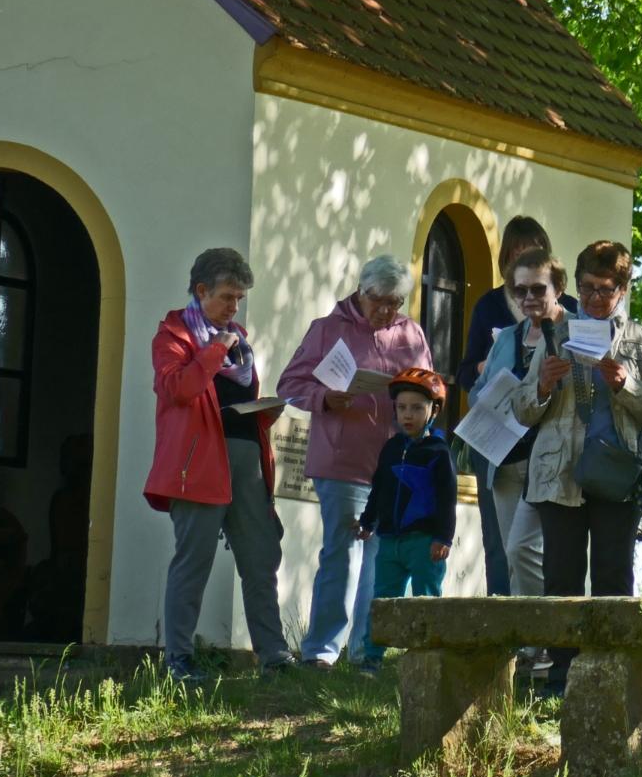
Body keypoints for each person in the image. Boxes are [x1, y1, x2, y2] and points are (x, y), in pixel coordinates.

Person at [500, 240, 642, 696]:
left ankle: (611, 678)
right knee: (561, 578)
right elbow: (520, 409)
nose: (596, 299)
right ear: (576, 286)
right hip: (559, 475)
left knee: (614, 577)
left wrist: (627, 384)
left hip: (616, 473)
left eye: (606, 290)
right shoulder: (556, 334)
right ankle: (561, 681)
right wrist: (541, 384)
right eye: (588, 289)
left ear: (623, 289)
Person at [145, 249, 293, 682]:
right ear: (201, 290)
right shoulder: (172, 336)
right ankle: (179, 660)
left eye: (239, 299)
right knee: (194, 563)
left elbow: (229, 402)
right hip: (199, 468)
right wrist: (212, 351)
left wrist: (264, 412)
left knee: (261, 559)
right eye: (228, 297)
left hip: (247, 464)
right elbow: (180, 390)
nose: (234, 307)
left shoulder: (237, 339)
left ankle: (274, 656)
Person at [279, 255, 432, 668]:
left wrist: (416, 394)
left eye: (395, 303)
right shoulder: (327, 329)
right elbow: (290, 385)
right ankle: (321, 653)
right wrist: (324, 398)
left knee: (381, 559)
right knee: (343, 553)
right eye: (379, 301)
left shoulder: (412, 333)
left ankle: (367, 654)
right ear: (361, 292)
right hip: (342, 460)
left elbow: (430, 388)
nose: (386, 311)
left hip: (395, 463)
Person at [456, 216, 561, 595]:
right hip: (500, 442)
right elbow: (466, 372)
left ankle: (544, 635)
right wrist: (484, 371)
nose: (525, 257)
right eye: (517, 251)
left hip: (550, 441)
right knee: (501, 546)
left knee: (546, 546)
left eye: (533, 249)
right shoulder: (490, 306)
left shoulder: (569, 314)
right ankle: (506, 633)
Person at [354, 368, 459, 673]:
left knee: (425, 599)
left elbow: (447, 499)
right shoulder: (390, 449)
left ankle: (427, 656)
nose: (408, 415)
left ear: (433, 410)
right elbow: (379, 489)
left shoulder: (438, 452)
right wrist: (368, 520)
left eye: (416, 407)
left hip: (425, 542)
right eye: (402, 408)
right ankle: (372, 658)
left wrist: (444, 537)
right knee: (383, 599)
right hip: (390, 541)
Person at [489, 252, 571, 599]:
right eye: (519, 291)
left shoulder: (575, 331)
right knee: (514, 554)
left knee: (557, 558)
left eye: (538, 289)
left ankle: (550, 642)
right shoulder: (507, 337)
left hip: (557, 460)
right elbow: (479, 391)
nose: (528, 299)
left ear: (559, 288)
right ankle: (530, 645)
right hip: (507, 458)